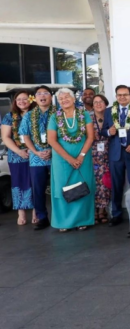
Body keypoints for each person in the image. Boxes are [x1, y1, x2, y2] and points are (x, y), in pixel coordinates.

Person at [47, 88, 96, 232]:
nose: (64, 100)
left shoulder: (84, 114)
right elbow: (51, 140)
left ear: (74, 99)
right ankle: (63, 222)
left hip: (83, 158)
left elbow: (90, 137)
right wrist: (69, 159)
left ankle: (83, 220)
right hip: (62, 160)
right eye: (61, 99)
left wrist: (80, 156)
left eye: (66, 97)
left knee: (83, 185)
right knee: (63, 186)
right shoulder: (54, 117)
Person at [101, 85, 130, 227]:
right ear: (116, 96)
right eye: (119, 95)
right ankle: (116, 214)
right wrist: (109, 132)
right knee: (116, 185)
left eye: (125, 95)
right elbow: (103, 131)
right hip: (116, 153)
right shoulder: (109, 111)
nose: (122, 97)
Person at [19, 86, 56, 230]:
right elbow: (25, 136)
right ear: (34, 98)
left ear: (51, 97)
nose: (42, 96)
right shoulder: (29, 115)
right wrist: (35, 151)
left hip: (56, 156)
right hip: (36, 158)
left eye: (45, 93)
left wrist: (52, 150)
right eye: (39, 94)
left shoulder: (58, 113)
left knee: (58, 187)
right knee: (38, 189)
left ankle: (60, 217)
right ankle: (42, 217)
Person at [1, 90, 35, 225]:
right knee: (18, 184)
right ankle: (21, 213)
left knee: (34, 182)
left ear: (31, 100)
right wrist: (19, 151)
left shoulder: (36, 115)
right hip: (16, 156)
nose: (21, 101)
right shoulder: (10, 117)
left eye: (25, 99)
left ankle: (35, 211)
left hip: (35, 154)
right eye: (18, 99)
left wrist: (33, 149)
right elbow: (6, 137)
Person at [89, 94, 111, 224]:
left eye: (101, 101)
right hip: (92, 154)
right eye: (95, 102)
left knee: (105, 183)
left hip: (108, 153)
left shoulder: (111, 117)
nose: (98, 104)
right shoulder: (88, 118)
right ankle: (94, 211)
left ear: (106, 103)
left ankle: (103, 210)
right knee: (94, 183)